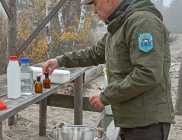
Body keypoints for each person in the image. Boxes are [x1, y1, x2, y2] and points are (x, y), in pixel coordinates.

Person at [42, 0, 175, 139]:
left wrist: (107, 96)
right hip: (132, 119)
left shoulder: (143, 22)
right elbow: (95, 53)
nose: (94, 11)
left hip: (147, 123)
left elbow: (147, 73)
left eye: (95, 4)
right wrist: (60, 60)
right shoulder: (120, 24)